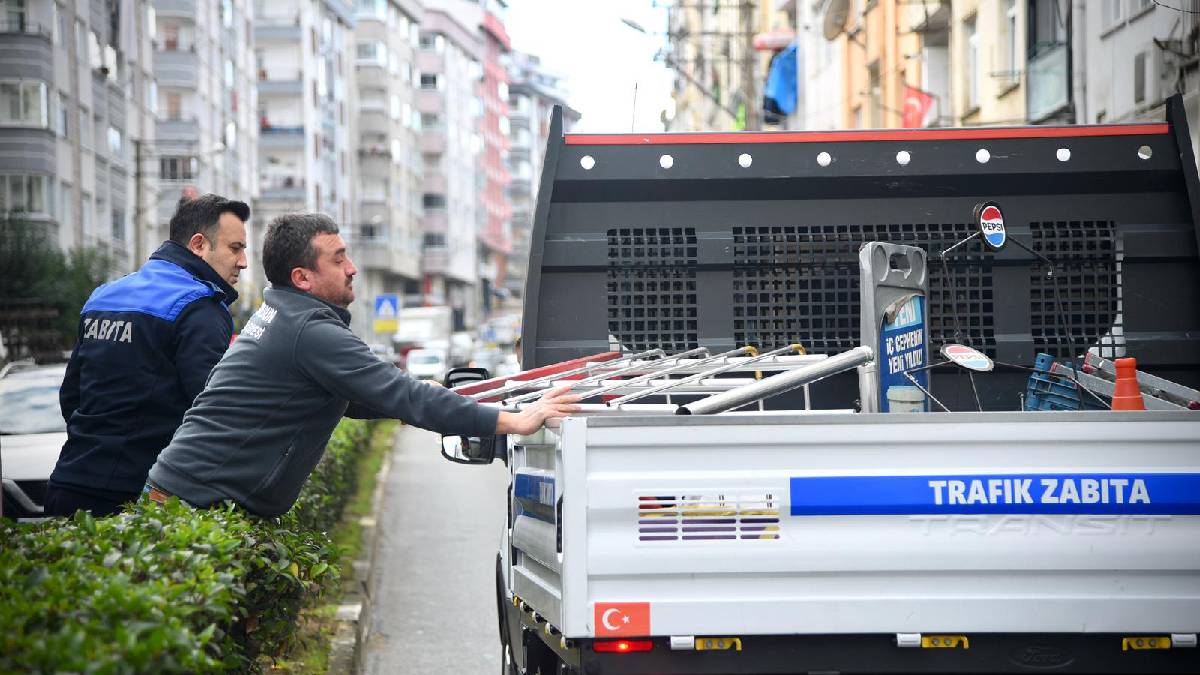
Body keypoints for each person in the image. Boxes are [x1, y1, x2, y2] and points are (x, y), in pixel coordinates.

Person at [145, 213, 578, 517]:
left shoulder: (286, 315)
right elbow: (403, 394)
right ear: (302, 278)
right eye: (337, 259)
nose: (352, 268)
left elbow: (365, 397)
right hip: (191, 505)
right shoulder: (310, 332)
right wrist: (517, 421)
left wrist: (447, 398)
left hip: (186, 494)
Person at [46, 194, 250, 516]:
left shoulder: (103, 296)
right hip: (139, 499)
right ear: (199, 244)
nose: (243, 262)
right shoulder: (200, 308)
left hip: (69, 483)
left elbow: (71, 396)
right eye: (235, 248)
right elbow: (214, 414)